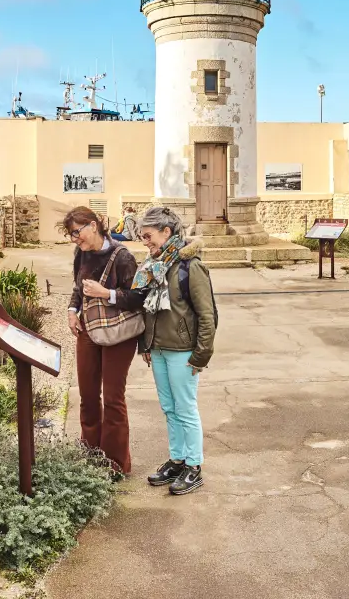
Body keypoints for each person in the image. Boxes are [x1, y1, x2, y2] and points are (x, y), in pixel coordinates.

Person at [132, 206, 217, 496]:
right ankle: (177, 459)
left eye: (148, 236)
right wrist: (146, 343)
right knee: (169, 409)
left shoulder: (190, 266)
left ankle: (194, 466)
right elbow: (148, 309)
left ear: (166, 232)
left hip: (183, 351)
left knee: (186, 408)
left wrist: (201, 354)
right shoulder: (154, 265)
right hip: (157, 349)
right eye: (143, 237)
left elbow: (208, 315)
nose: (145, 242)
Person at [64, 205, 143, 475]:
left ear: (92, 225)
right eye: (71, 235)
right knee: (87, 395)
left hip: (119, 333)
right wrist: (72, 311)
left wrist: (105, 293)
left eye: (77, 233)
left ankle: (115, 463)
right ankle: (90, 454)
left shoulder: (123, 257)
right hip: (88, 327)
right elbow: (78, 287)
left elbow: (137, 298)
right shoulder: (80, 254)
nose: (75, 239)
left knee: (112, 398)